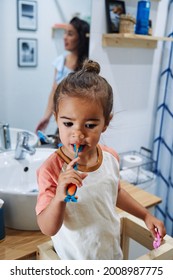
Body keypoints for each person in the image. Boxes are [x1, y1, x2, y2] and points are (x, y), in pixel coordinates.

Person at [36, 60, 166, 260]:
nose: (77, 134)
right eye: (68, 123)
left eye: (89, 125)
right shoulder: (51, 170)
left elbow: (115, 192)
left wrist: (145, 215)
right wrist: (59, 197)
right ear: (56, 118)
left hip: (111, 254)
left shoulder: (110, 157)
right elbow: (48, 228)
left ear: (106, 123)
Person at [35, 17, 89, 133]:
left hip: (81, 124)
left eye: (70, 34)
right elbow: (54, 90)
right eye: (65, 33)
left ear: (80, 38)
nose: (65, 37)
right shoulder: (60, 62)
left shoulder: (87, 65)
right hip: (64, 121)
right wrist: (46, 117)